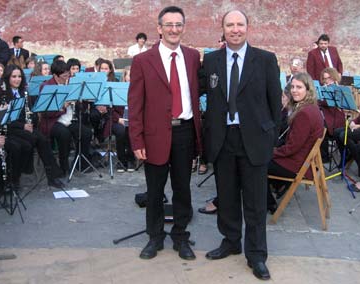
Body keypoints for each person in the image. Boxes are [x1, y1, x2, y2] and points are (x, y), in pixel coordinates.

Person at [199, 10, 281, 280]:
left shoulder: (265, 60)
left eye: (240, 24)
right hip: (223, 139)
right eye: (229, 25)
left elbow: (274, 104)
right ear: (222, 29)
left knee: (256, 203)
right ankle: (231, 241)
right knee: (228, 196)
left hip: (254, 141)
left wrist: (270, 137)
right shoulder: (210, 61)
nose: (235, 29)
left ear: (248, 27)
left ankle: (256, 254)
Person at [128, 6, 201, 261]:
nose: (174, 29)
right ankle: (155, 237)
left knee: (183, 188)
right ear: (159, 28)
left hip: (185, 132)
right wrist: (136, 139)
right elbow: (135, 104)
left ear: (183, 27)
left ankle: (181, 237)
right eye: (168, 25)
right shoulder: (142, 61)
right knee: (155, 189)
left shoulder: (193, 57)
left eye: (178, 24)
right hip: (155, 134)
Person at [0, 65, 64, 188]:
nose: (17, 79)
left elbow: (30, 111)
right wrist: (23, 126)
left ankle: (52, 176)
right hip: (10, 128)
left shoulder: (24, 92)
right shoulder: (2, 93)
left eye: (19, 76)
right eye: (14, 77)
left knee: (43, 140)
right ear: (7, 78)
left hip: (24, 127)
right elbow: (4, 118)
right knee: (30, 141)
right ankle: (15, 178)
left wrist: (31, 120)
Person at [267, 73, 324, 211]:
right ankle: (273, 191)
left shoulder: (304, 113)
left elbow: (292, 148)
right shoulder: (311, 107)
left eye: (299, 87)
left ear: (308, 90)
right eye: (292, 87)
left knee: (252, 163)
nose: (294, 90)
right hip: (301, 161)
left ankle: (268, 203)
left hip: (296, 165)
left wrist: (271, 152)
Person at [39, 60, 93, 174]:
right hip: (53, 121)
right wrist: (63, 106)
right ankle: (64, 166)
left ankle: (80, 164)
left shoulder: (71, 84)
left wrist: (80, 99)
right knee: (64, 134)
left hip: (68, 120)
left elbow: (79, 108)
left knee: (86, 132)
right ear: (55, 75)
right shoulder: (47, 86)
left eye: (67, 75)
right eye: (64, 76)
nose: (66, 78)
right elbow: (46, 113)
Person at [318, 67, 345, 162]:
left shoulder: (338, 89)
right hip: (325, 117)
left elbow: (327, 103)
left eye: (329, 78)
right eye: (324, 79)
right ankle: (320, 155)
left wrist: (319, 99)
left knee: (320, 128)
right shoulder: (323, 88)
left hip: (335, 119)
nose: (326, 81)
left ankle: (324, 156)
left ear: (334, 77)